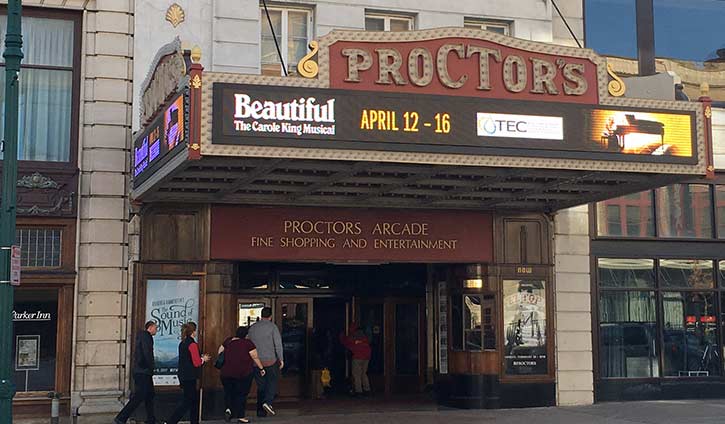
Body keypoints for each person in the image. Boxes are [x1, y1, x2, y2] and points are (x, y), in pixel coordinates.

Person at [219, 326, 266, 423]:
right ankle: (241, 416)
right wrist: (261, 368)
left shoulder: (228, 341)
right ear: (246, 335)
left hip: (226, 373)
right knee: (242, 394)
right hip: (243, 373)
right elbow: (255, 357)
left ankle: (228, 409)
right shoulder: (248, 343)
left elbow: (220, 352)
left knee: (228, 392)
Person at [114, 321, 158, 424]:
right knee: (140, 395)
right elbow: (147, 353)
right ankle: (121, 417)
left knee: (150, 395)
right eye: (155, 328)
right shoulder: (146, 337)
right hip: (143, 371)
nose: (156, 330)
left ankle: (151, 419)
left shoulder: (142, 336)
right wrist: (150, 366)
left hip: (142, 370)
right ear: (150, 327)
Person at [167, 322, 210, 424]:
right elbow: (196, 362)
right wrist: (203, 359)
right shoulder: (192, 344)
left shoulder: (182, 343)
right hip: (190, 376)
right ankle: (172, 421)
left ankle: (193, 421)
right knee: (188, 401)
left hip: (183, 374)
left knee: (191, 400)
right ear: (193, 332)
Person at [247, 307, 284, 417]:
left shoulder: (252, 328)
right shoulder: (273, 327)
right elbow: (278, 344)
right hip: (270, 361)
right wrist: (281, 359)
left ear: (261, 315)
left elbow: (248, 344)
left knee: (261, 386)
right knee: (272, 382)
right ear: (270, 316)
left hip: (256, 362)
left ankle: (260, 411)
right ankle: (267, 402)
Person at [339, 323, 372, 396]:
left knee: (356, 375)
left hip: (357, 357)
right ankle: (367, 389)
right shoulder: (364, 336)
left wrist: (342, 336)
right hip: (366, 357)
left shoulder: (353, 336)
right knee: (364, 374)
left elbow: (346, 342)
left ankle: (358, 391)